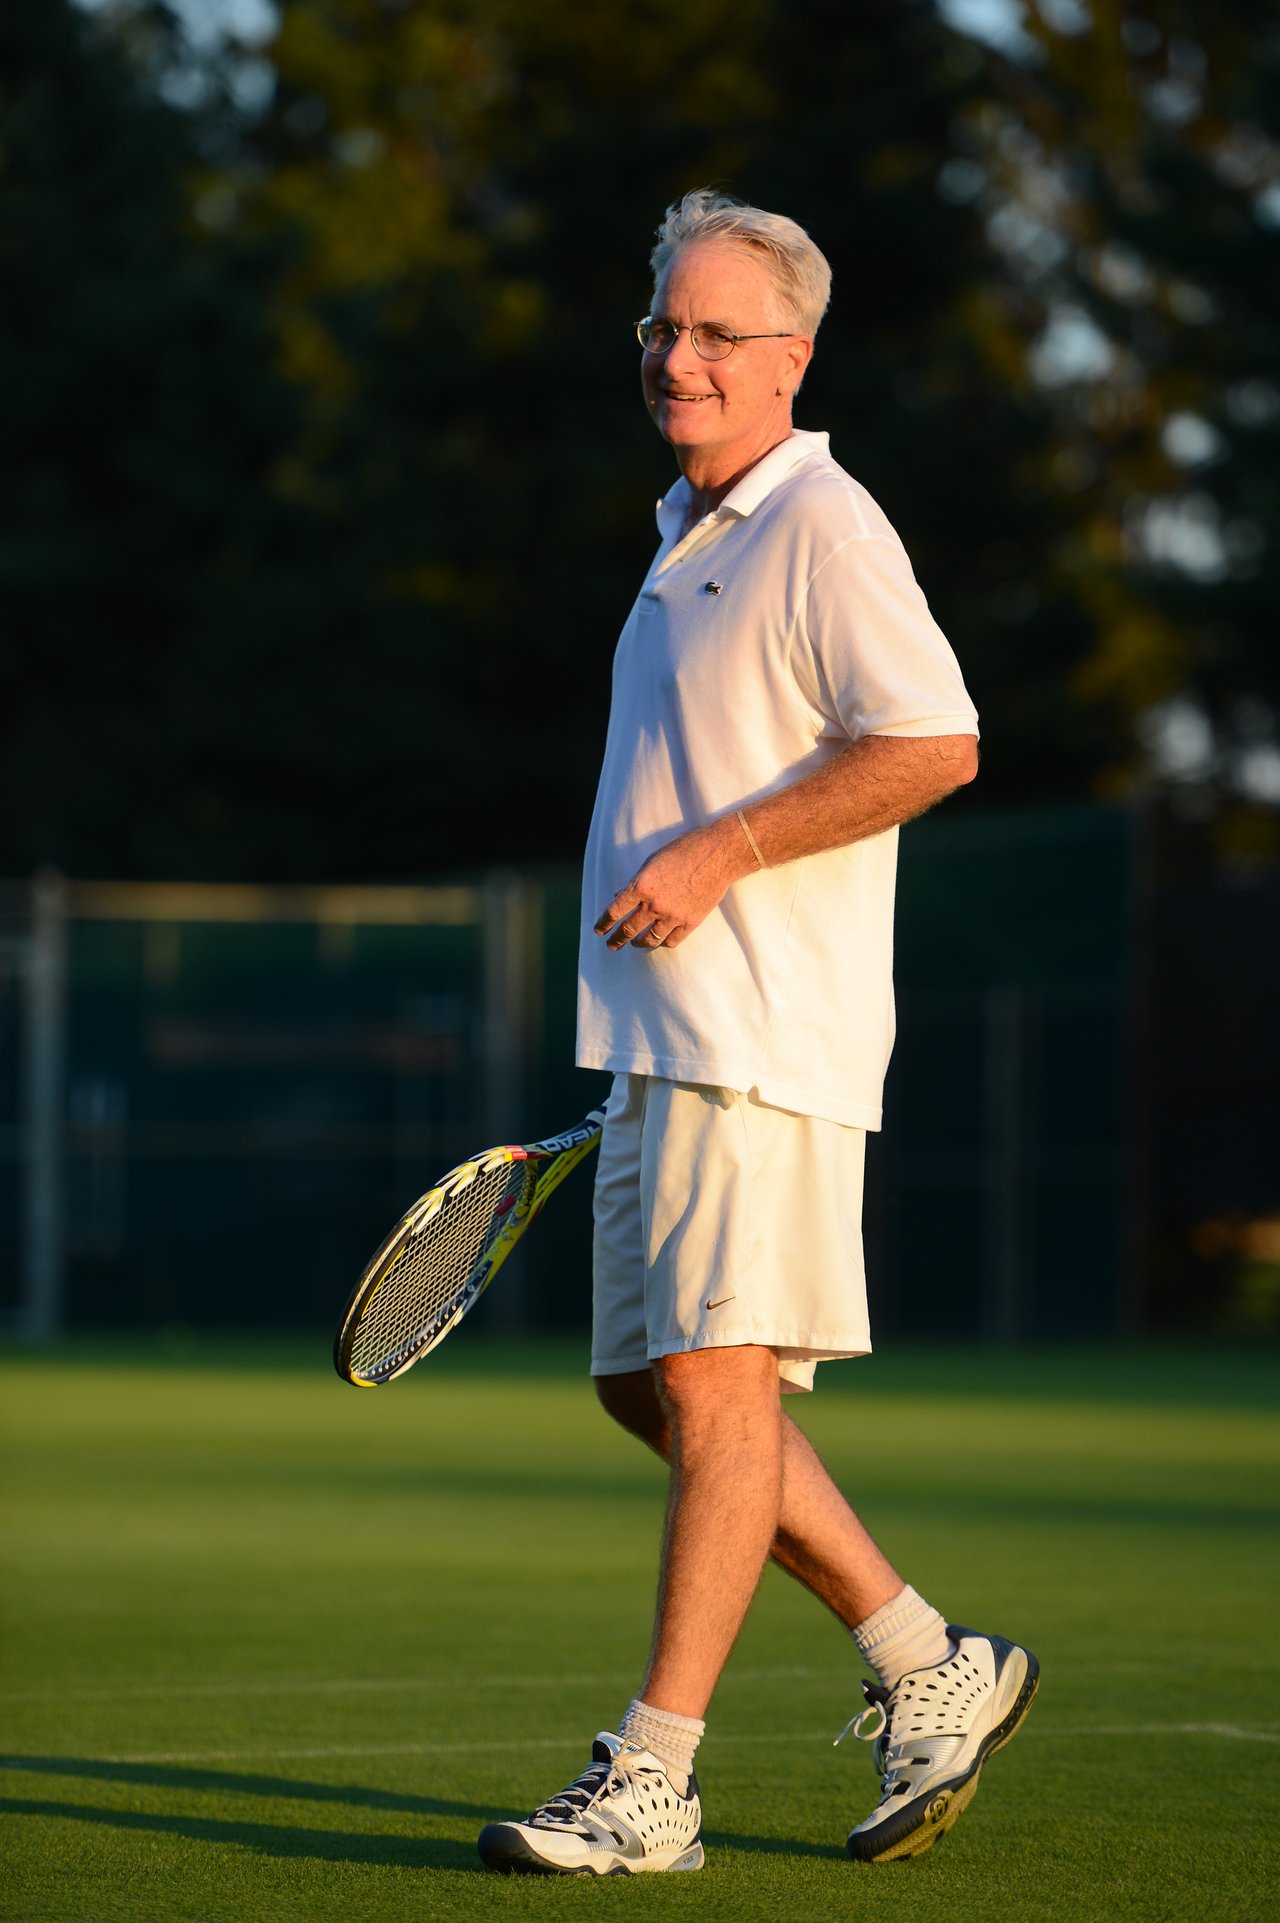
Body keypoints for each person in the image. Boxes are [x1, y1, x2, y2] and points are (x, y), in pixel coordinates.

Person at [477, 188, 1037, 1878]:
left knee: (713, 1394)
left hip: (762, 1044)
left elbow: (935, 738)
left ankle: (652, 1782)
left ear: (793, 355)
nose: (683, 357)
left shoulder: (822, 521)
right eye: (665, 325)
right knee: (651, 1394)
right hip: (663, 1045)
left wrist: (722, 850)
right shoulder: (690, 529)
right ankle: (924, 1658)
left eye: (721, 332)